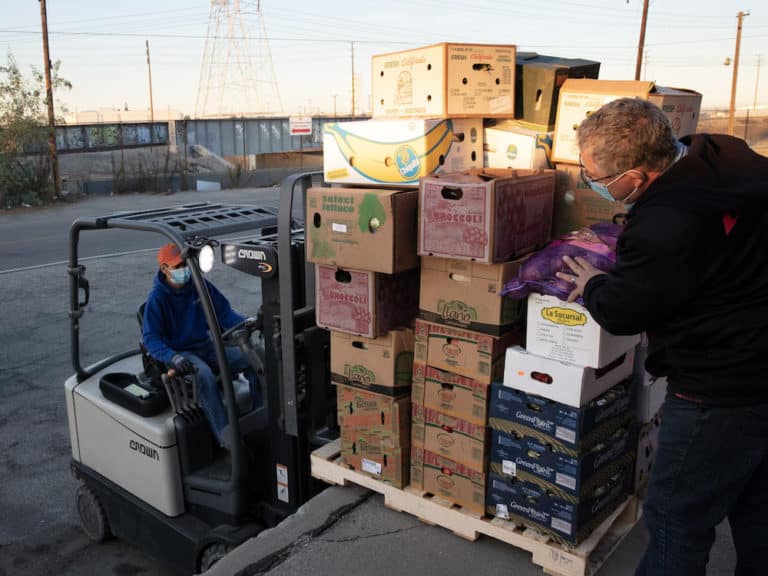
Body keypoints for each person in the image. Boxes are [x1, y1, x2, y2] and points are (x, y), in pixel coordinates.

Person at [555, 97, 768, 576]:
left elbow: (627, 310)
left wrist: (593, 283)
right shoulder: (722, 155)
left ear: (638, 174)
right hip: (757, 352)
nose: (594, 184)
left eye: (600, 179)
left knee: (676, 516)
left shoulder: (666, 221)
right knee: (756, 509)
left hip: (720, 386)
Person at [142, 243, 261, 449]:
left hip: (205, 346)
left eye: (185, 265)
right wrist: (173, 357)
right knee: (204, 376)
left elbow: (225, 314)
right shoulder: (157, 299)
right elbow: (151, 339)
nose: (184, 270)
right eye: (178, 267)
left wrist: (250, 322)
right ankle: (227, 438)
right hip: (182, 354)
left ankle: (262, 415)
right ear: (164, 269)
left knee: (254, 358)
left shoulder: (200, 286)